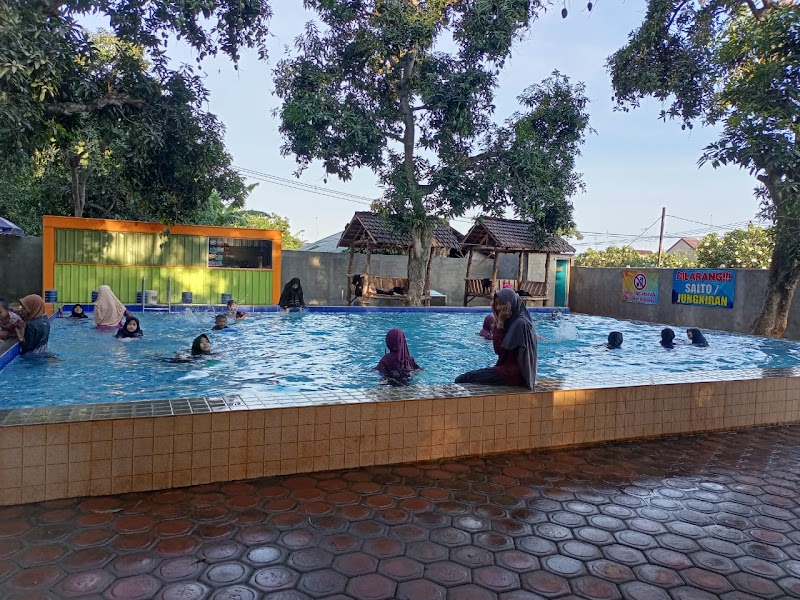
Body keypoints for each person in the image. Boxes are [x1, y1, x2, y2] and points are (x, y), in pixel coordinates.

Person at [455, 288, 537, 389]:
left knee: (461, 379)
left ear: (510, 303)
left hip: (511, 375)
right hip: (509, 372)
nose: (498, 308)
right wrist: (498, 318)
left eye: (502, 304)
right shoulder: (515, 319)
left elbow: (499, 349)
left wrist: (500, 322)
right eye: (496, 304)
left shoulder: (519, 323)